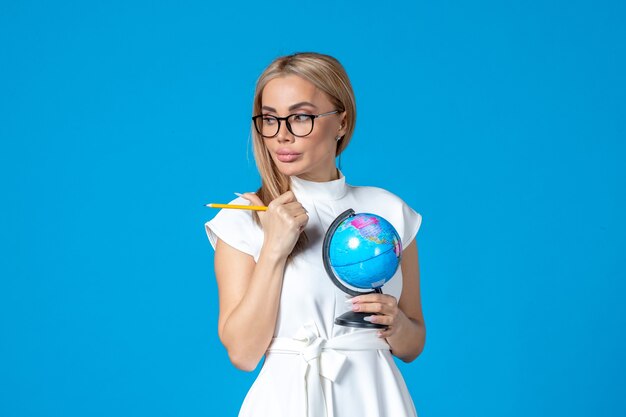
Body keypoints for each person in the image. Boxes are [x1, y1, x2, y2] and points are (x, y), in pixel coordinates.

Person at [204, 52, 426, 417]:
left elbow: (413, 343)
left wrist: (397, 324)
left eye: (301, 117)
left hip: (376, 400)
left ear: (341, 121)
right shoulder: (243, 218)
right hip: (285, 402)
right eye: (270, 119)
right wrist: (275, 248)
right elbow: (243, 354)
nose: (282, 135)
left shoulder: (387, 213)